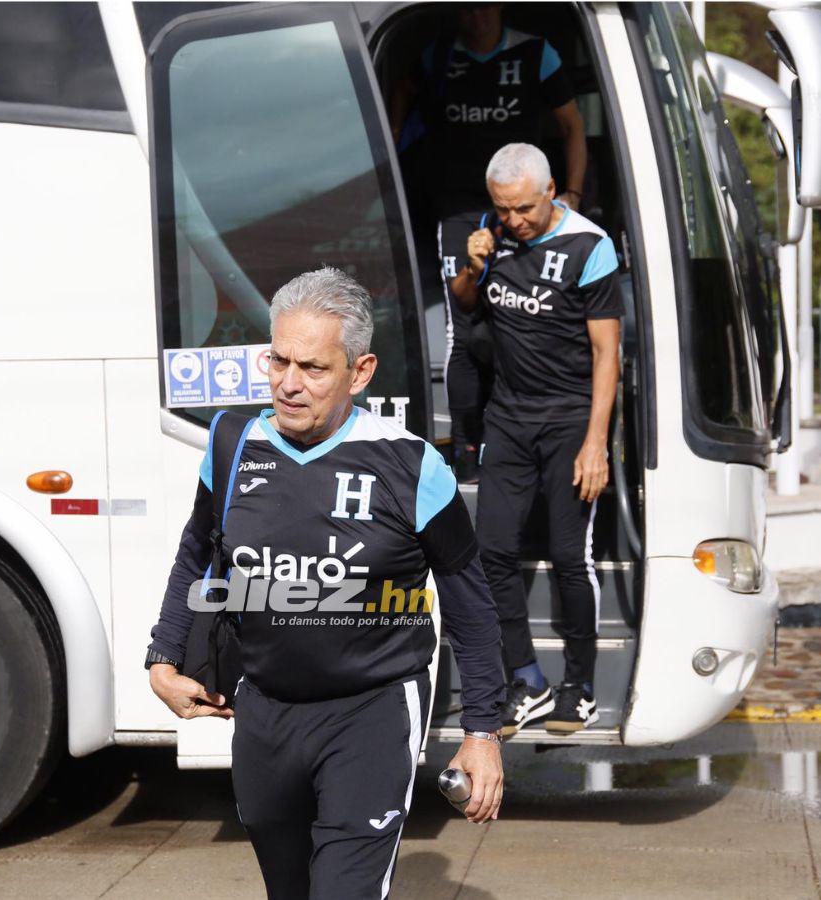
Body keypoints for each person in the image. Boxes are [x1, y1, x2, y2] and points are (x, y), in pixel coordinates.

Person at [145, 268, 506, 899]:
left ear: (359, 373)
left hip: (372, 711)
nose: (289, 384)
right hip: (263, 712)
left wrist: (482, 732)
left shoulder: (412, 465)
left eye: (312, 368)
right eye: (279, 360)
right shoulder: (232, 446)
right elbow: (197, 555)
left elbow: (471, 606)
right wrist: (163, 657)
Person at [450, 143, 620, 736]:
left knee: (571, 557)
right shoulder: (491, 234)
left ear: (551, 191)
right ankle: (527, 680)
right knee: (491, 551)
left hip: (571, 419)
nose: (514, 220)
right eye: (504, 208)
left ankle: (581, 685)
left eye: (524, 208)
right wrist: (471, 267)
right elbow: (466, 305)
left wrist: (596, 442)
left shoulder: (590, 246)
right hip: (508, 417)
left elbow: (606, 353)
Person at [388, 3, 588, 483]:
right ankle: (465, 448)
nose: (473, 16)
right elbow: (403, 91)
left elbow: (573, 127)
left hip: (522, 211)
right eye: (464, 9)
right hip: (458, 206)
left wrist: (573, 195)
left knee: (526, 319)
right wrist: (390, 146)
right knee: (463, 331)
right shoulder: (438, 55)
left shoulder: (535, 53)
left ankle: (528, 441)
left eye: (482, 7)